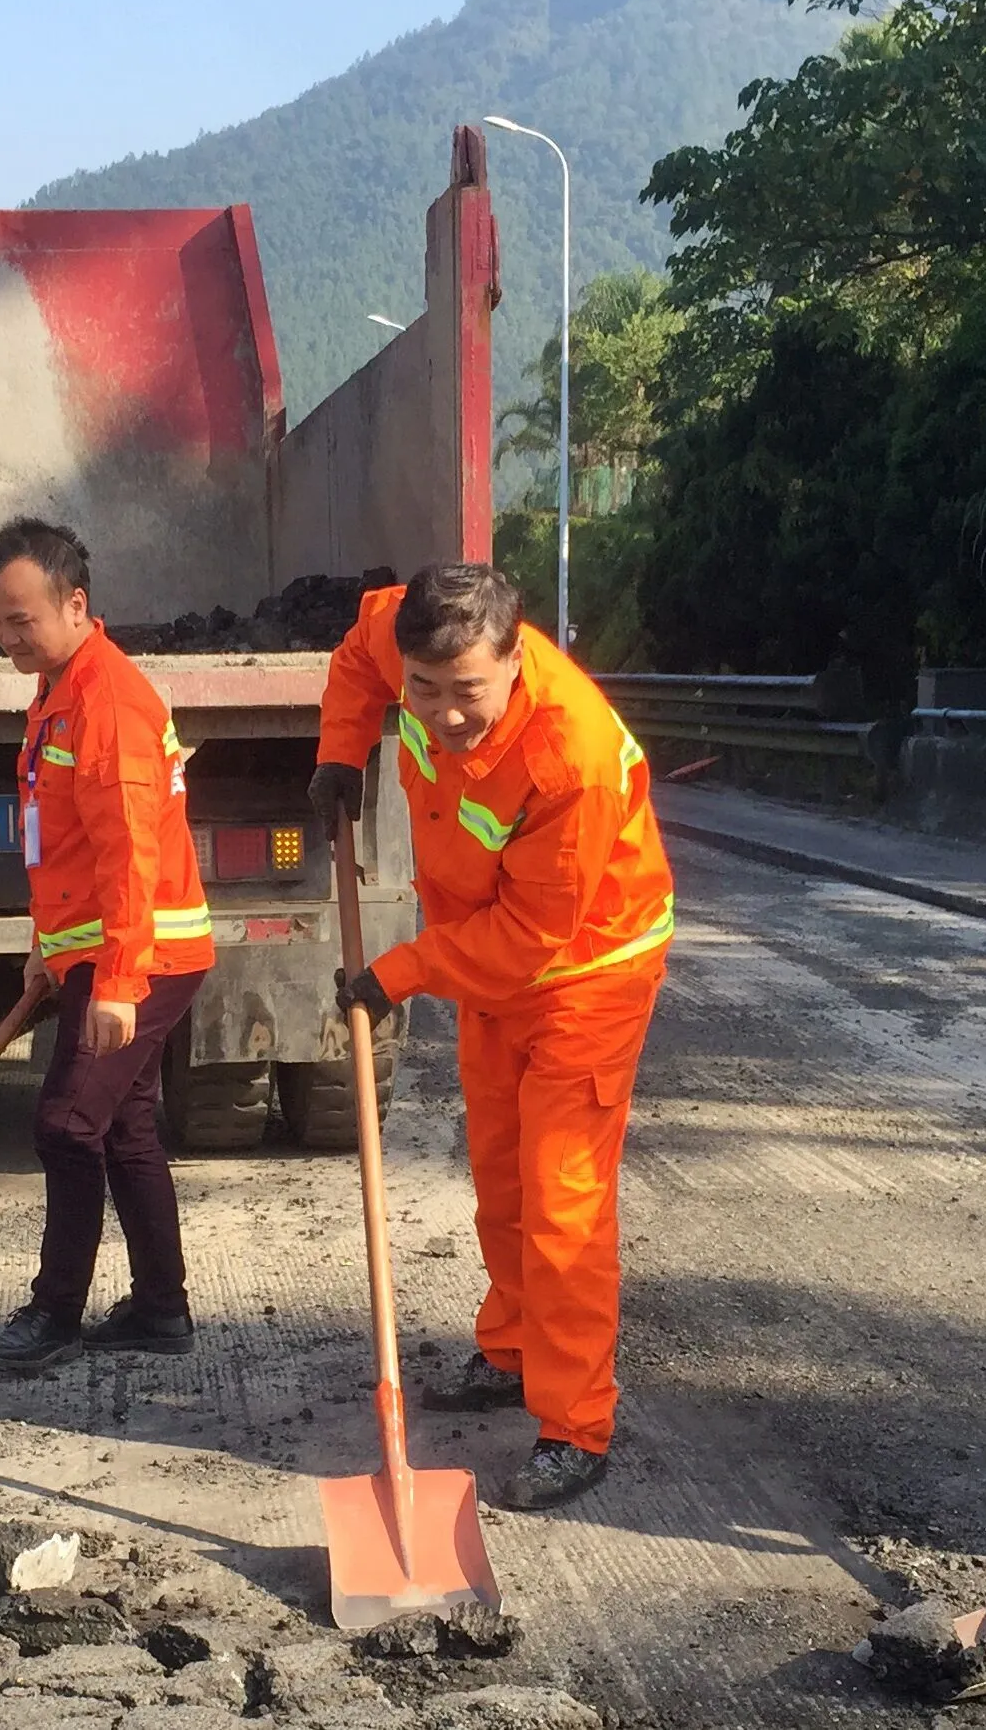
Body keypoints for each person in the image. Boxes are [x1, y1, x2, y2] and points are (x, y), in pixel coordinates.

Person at [309, 562, 674, 1510]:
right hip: (489, 960)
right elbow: (357, 662)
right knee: (500, 1171)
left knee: (561, 1201)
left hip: (586, 971)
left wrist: (397, 972)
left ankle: (574, 1421)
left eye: (466, 692)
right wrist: (340, 753)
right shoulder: (405, 637)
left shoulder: (570, 754)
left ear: (514, 660)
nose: (440, 714)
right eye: (422, 690)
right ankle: (512, 1349)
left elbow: (532, 937)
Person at [0, 517, 216, 1373]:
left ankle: (54, 1312)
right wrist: (48, 945)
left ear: (76, 604)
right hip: (102, 952)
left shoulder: (105, 700)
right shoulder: (58, 689)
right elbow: (61, 842)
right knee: (123, 1129)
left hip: (144, 957)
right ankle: (160, 1308)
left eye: (21, 620)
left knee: (67, 1124)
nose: (6, 638)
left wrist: (115, 981)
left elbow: (128, 856)